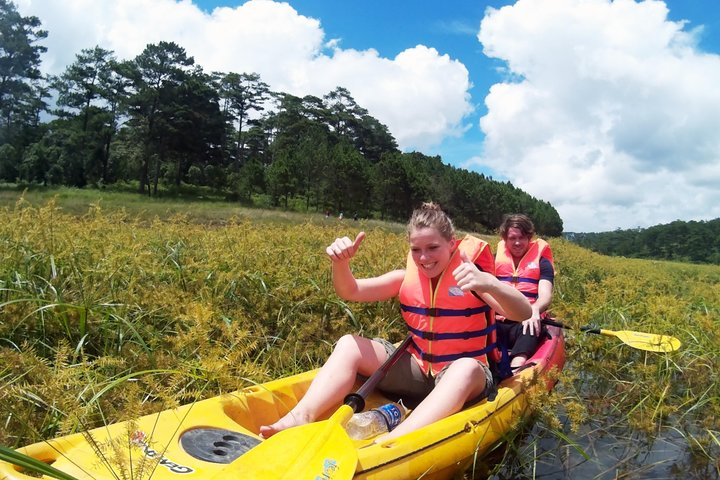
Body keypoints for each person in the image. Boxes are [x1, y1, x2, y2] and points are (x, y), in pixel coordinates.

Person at [260, 202, 531, 442]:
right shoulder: (404, 277)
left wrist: (491, 283)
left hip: (462, 376)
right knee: (348, 344)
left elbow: (523, 313)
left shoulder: (472, 279)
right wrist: (341, 264)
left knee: (466, 368)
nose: (424, 258)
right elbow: (350, 291)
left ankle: (398, 438)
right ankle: (301, 416)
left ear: (451, 244)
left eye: (433, 248)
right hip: (419, 369)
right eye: (416, 250)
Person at [494, 214, 555, 372]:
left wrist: (533, 310)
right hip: (497, 321)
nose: (517, 243)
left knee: (530, 327)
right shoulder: (493, 261)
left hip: (524, 322)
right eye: (512, 238)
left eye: (521, 238)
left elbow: (545, 296)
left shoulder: (542, 263)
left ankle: (516, 369)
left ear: (529, 238)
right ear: (504, 239)